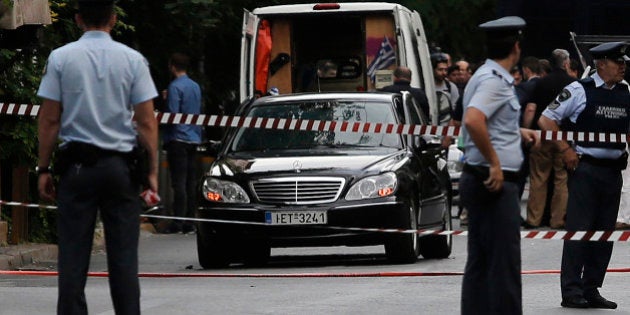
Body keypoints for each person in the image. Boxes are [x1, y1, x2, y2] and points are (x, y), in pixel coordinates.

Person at [36, 0, 159, 313]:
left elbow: (50, 119)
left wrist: (43, 168)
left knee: (73, 259)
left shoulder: (60, 58)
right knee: (124, 260)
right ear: (113, 20)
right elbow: (146, 122)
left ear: (78, 20)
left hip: (77, 169)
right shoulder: (133, 60)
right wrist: (152, 172)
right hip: (120, 169)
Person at [538, 41, 630, 309]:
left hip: (613, 171)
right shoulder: (579, 90)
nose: (623, 66)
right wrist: (565, 149)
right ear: (601, 64)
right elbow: (546, 120)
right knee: (580, 231)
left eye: (624, 62)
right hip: (585, 169)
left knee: (604, 235)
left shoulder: (626, 92)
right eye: (618, 62)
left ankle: (591, 288)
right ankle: (571, 290)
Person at [459, 16, 539, 314]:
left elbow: (486, 123)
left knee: (480, 264)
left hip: (478, 179)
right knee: (504, 266)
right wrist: (495, 162)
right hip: (493, 183)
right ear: (516, 47)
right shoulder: (494, 81)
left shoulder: (483, 75)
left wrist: (518, 132)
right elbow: (473, 120)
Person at [523, 49, 575, 229]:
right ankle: (558, 219)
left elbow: (531, 109)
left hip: (541, 136)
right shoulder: (573, 84)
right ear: (566, 63)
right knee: (562, 179)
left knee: (538, 178)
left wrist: (528, 131)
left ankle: (534, 219)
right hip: (564, 138)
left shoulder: (541, 83)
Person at [162, 52, 203, 234]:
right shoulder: (195, 87)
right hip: (194, 137)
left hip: (178, 138)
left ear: (172, 66)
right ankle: (191, 221)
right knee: (190, 181)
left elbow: (172, 114)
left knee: (178, 182)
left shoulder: (174, 87)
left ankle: (178, 221)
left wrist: (164, 101)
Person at [431, 52, 460, 125]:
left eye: (445, 70)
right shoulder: (427, 86)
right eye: (440, 70)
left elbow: (455, 110)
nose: (444, 73)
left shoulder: (451, 87)